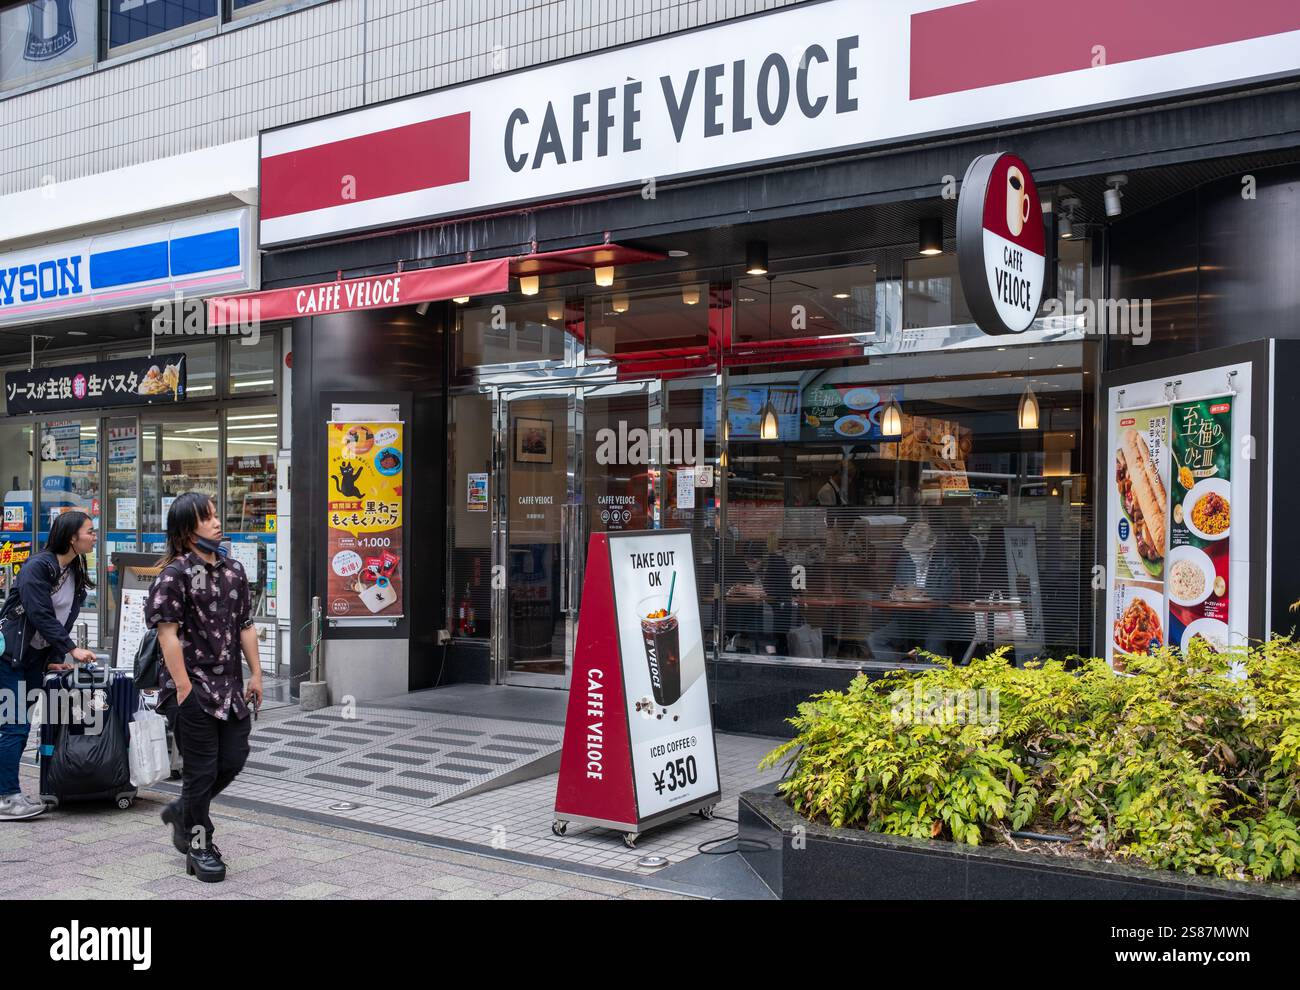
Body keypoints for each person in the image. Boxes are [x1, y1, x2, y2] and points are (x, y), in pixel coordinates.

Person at [146, 492, 262, 882]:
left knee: (233, 757)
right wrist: (183, 688)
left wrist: (257, 673)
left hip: (229, 688)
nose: (216, 521)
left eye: (215, 514)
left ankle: (183, 811)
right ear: (186, 530)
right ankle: (199, 844)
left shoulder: (233, 569)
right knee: (200, 771)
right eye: (206, 517)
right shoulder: (174, 574)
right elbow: (168, 635)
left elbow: (245, 624)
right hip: (191, 687)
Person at [0, 511, 98, 821]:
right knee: (13, 725)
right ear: (72, 537)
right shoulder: (37, 566)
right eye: (90, 531)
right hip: (10, 655)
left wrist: (54, 658)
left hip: (33, 659)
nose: (94, 536)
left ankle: (9, 792)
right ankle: (6, 798)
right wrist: (71, 649)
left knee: (20, 726)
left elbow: (59, 619)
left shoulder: (73, 570)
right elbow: (39, 613)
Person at [867, 520, 960, 663]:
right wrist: (896, 594)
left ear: (931, 548)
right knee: (875, 639)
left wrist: (920, 592)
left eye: (920, 551)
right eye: (912, 552)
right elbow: (899, 587)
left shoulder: (945, 563)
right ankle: (900, 671)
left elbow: (947, 592)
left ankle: (933, 681)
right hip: (907, 619)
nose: (915, 555)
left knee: (933, 643)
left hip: (936, 619)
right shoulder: (904, 562)